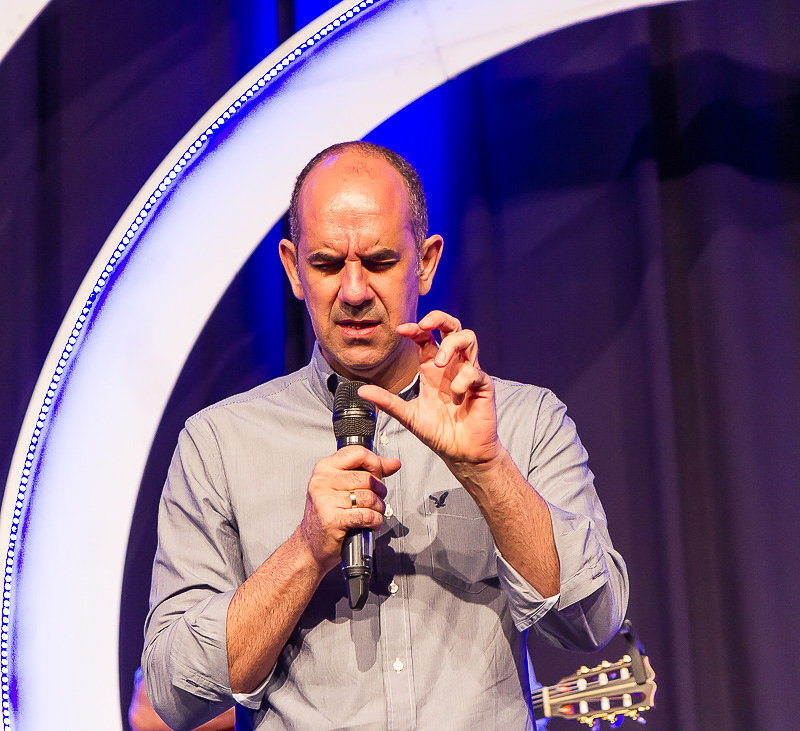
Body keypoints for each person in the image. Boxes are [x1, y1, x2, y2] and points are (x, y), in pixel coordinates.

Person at [142, 141, 628, 730]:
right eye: (326, 265)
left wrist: (486, 470)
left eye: (378, 261)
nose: (352, 291)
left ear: (425, 261)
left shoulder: (525, 420)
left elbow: (591, 621)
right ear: (293, 268)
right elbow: (173, 693)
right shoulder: (218, 443)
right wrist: (304, 552)